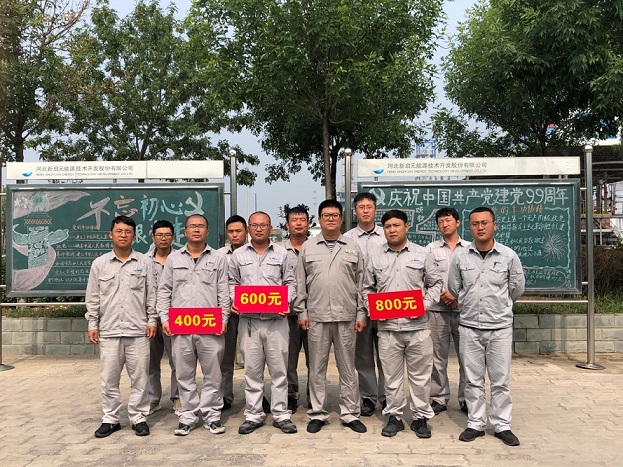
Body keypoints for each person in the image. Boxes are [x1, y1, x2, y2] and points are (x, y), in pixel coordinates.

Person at [448, 206, 525, 446]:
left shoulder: (508, 256)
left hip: (499, 328)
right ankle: (476, 424)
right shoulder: (461, 257)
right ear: (469, 227)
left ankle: (502, 425)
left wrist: (499, 306)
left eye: (484, 223)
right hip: (469, 327)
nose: (480, 227)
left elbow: (516, 288)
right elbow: (454, 287)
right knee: (473, 380)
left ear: (494, 225)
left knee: (500, 381)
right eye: (475, 223)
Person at [362, 209, 443, 438]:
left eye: (396, 225)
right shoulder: (375, 257)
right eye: (388, 226)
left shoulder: (421, 254)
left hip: (418, 328)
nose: (392, 230)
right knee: (391, 378)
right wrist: (373, 309)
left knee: (420, 377)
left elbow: (436, 283)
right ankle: (394, 417)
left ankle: (420, 418)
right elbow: (367, 288)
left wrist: (424, 305)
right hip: (388, 329)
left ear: (406, 227)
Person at [294, 199, 367, 434]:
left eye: (335, 215)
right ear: (319, 219)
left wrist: (361, 313)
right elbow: (300, 283)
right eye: (326, 215)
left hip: (347, 316)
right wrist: (302, 311)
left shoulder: (353, 246)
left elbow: (361, 283)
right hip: (317, 317)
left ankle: (350, 413)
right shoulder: (308, 247)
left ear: (342, 219)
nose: (331, 219)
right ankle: (318, 413)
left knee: (348, 368)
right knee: (316, 369)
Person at [157, 214, 230, 437]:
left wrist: (224, 319)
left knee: (213, 374)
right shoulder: (174, 259)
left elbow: (224, 292)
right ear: (185, 231)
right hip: (181, 327)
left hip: (211, 326)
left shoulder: (218, 258)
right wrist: (164, 318)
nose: (196, 230)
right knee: (184, 374)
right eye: (192, 226)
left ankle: (211, 415)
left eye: (201, 226)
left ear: (207, 231)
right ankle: (187, 416)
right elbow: (164, 291)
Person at [86, 215, 157, 438]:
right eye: (119, 231)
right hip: (109, 331)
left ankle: (139, 418)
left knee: (140, 378)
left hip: (138, 331)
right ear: (111, 234)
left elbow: (151, 295)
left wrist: (152, 320)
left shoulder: (144, 263)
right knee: (109, 378)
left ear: (134, 236)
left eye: (128, 232)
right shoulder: (100, 264)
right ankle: (110, 419)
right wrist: (92, 324)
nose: (123, 235)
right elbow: (93, 297)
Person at [229, 211, 297, 434]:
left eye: (263, 225)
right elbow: (231, 282)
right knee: (252, 371)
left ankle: (281, 414)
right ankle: (254, 415)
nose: (259, 229)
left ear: (270, 228)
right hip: (249, 322)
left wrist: (286, 302)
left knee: (279, 371)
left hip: (276, 321)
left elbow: (290, 282)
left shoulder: (282, 253)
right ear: (248, 229)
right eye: (254, 225)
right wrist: (233, 300)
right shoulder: (238, 255)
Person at [344, 192, 386, 416]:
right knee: (362, 354)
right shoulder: (347, 239)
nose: (366, 210)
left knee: (387, 353)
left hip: (385, 303)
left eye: (369, 206)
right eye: (361, 207)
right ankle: (368, 397)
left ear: (375, 210)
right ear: (355, 211)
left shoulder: (387, 234)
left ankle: (387, 396)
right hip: (357, 304)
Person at [426, 208, 470, 415]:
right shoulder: (430, 249)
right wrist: (443, 294)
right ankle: (438, 398)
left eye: (448, 220)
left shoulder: (470, 249)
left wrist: (456, 295)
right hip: (438, 311)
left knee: (467, 358)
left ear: (458, 222)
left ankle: (467, 398)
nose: (444, 224)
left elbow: (474, 279)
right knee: (437, 358)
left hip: (464, 312)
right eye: (440, 222)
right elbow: (426, 278)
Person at [280, 205, 311, 413]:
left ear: (308, 224)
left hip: (313, 314)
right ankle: (291, 395)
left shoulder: (316, 247)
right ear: (287, 224)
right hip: (287, 315)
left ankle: (314, 395)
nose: (298, 223)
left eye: (302, 220)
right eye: (294, 220)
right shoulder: (278, 250)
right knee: (288, 359)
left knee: (315, 360)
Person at [147, 220, 179, 415]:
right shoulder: (144, 261)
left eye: (167, 235)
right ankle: (152, 399)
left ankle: (178, 398)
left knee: (178, 361)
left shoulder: (180, 259)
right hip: (150, 319)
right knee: (150, 362)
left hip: (175, 318)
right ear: (153, 237)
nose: (163, 238)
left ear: (173, 237)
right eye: (159, 235)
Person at [218, 214, 249, 411]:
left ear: (246, 232)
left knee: (253, 358)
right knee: (225, 357)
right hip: (226, 313)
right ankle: (224, 396)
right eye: (231, 231)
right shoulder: (218, 255)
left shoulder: (254, 252)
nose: (234, 235)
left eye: (238, 231)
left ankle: (256, 397)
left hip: (251, 312)